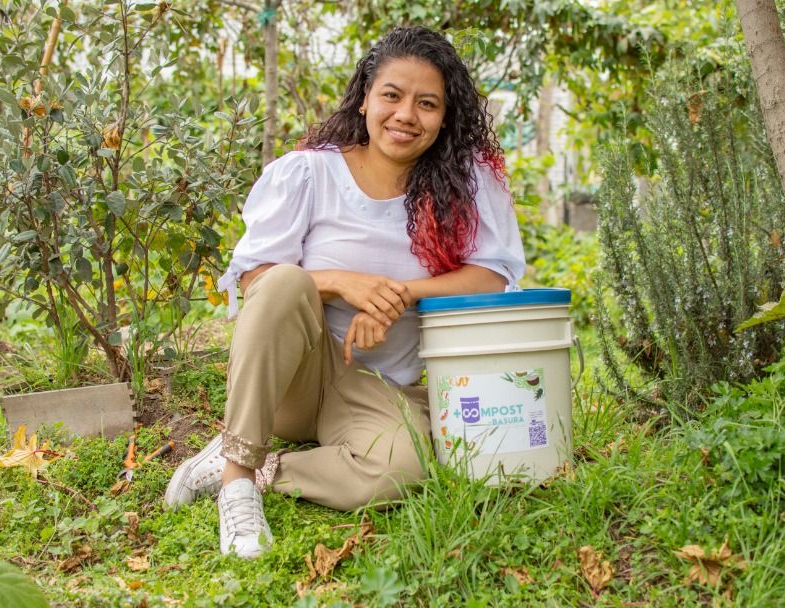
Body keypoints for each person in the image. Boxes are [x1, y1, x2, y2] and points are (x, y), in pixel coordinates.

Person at [164, 26, 525, 559]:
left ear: (445, 117)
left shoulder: (464, 186)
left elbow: (492, 275)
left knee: (400, 470)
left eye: (427, 103)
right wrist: (341, 283)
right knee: (285, 278)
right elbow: (256, 282)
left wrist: (397, 295)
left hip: (377, 390)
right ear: (364, 100)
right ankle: (238, 479)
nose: (406, 115)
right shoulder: (311, 174)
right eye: (392, 95)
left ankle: (262, 469)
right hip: (294, 379)